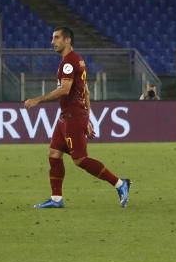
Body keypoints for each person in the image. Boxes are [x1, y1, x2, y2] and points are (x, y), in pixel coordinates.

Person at [24, 27, 131, 208]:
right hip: (68, 116)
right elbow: (86, 92)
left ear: (67, 40)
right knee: (54, 154)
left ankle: (120, 184)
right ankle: (56, 199)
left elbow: (65, 90)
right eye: (52, 38)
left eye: (56, 38)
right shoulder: (77, 61)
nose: (53, 41)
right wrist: (87, 118)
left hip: (73, 116)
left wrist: (38, 100)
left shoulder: (69, 62)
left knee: (80, 160)